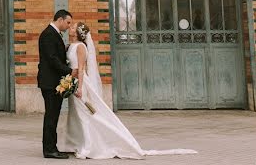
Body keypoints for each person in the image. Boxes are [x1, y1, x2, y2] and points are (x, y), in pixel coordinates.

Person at [58, 22, 197, 160]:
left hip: (81, 84)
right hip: (73, 82)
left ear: (78, 33)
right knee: (76, 114)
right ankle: (76, 143)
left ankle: (88, 147)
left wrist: (80, 87)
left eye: (73, 27)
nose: (70, 28)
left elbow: (81, 69)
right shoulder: (71, 46)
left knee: (85, 115)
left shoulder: (81, 47)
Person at [38, 10, 75, 159]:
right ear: (60, 19)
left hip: (53, 82)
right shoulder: (48, 34)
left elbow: (55, 54)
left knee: (53, 116)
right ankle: (49, 149)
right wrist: (69, 71)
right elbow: (52, 59)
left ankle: (52, 147)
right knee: (51, 116)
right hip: (50, 82)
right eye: (68, 22)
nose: (68, 26)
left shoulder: (54, 34)